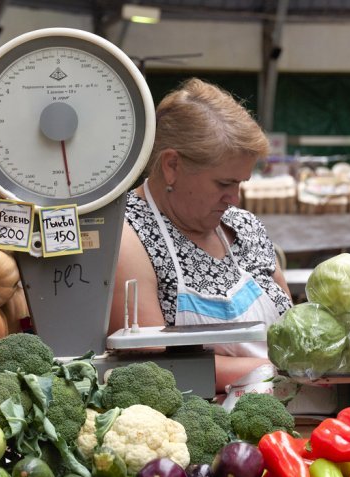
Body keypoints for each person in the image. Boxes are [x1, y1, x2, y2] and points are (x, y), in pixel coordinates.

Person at [108, 78, 292, 393]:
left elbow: (293, 330)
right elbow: (151, 365)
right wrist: (264, 371)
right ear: (172, 166)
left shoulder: (244, 226)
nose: (234, 198)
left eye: (240, 183)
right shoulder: (126, 236)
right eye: (223, 184)